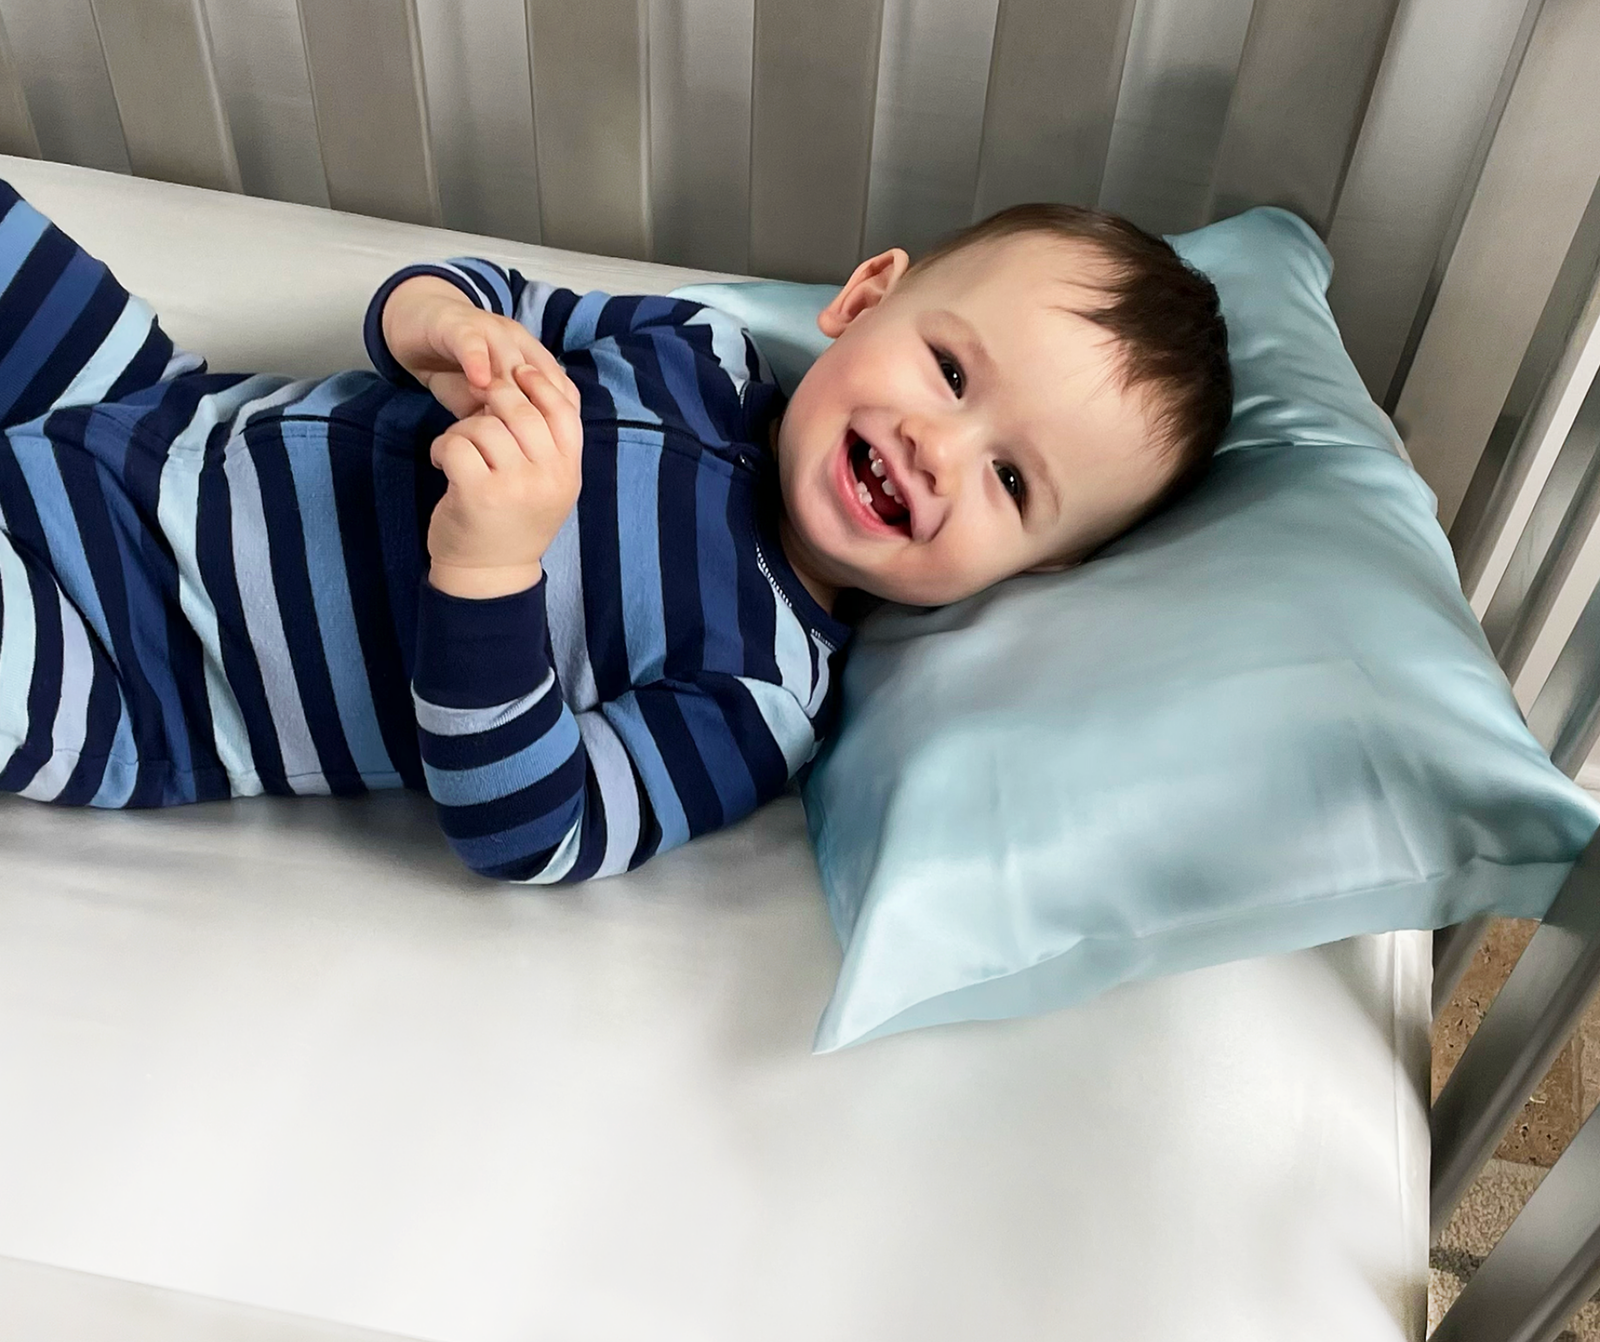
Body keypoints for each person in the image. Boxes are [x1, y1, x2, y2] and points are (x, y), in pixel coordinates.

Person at [0, 185, 1229, 882]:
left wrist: (488, 572)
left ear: (1038, 569)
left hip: (127, 662)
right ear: (863, 299)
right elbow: (487, 296)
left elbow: (536, 825)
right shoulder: (699, 346)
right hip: (147, 407)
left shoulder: (763, 689)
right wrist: (440, 324)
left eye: (1013, 481)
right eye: (951, 371)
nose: (938, 450)